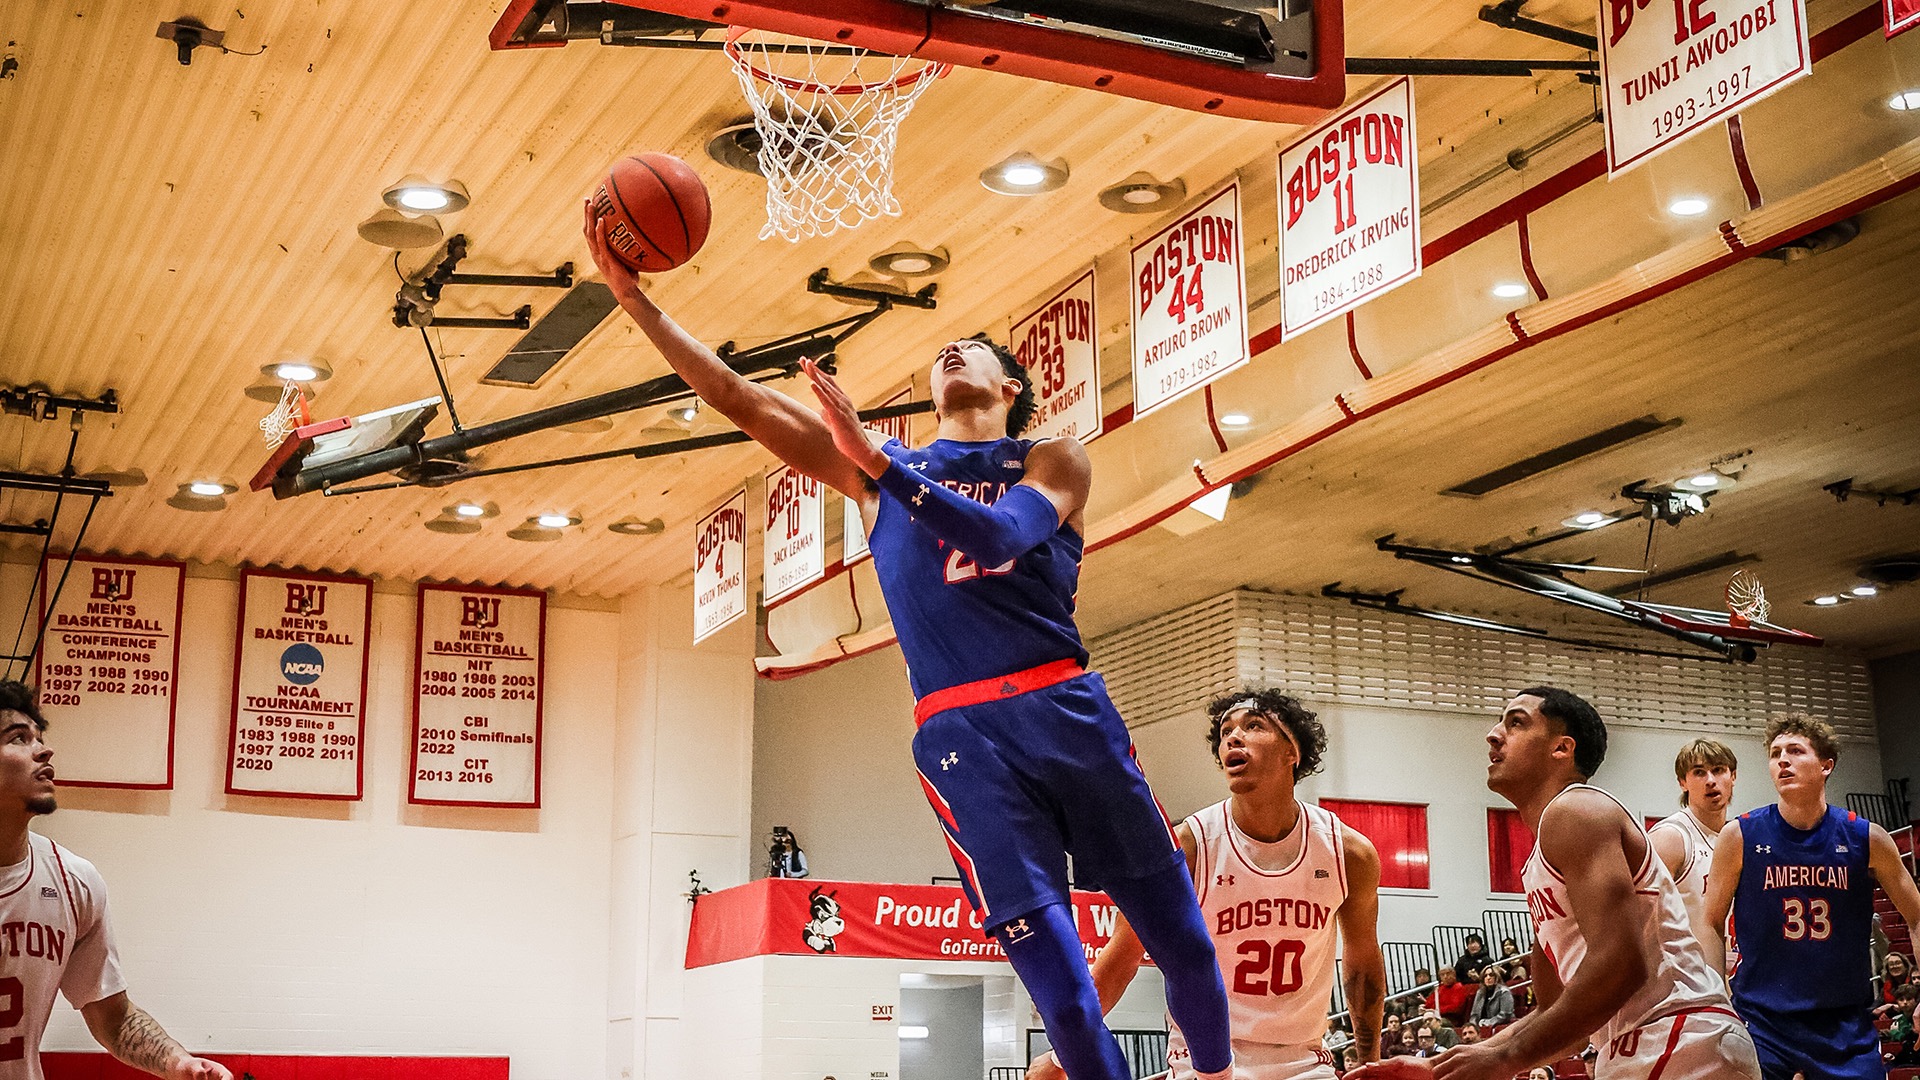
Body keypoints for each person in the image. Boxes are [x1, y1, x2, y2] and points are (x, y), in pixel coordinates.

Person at [584, 210, 1233, 1080]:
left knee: (1184, 945)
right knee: (1064, 994)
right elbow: (740, 398)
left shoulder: (1053, 457)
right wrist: (636, 302)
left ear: (1010, 387)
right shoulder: (871, 468)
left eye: (974, 347)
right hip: (960, 735)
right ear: (930, 395)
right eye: (942, 351)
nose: (952, 352)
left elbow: (1003, 538)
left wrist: (887, 469)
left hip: (1062, 705)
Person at [1359, 687, 1759, 1080]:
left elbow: (1621, 966)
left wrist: (1504, 1060)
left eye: (1516, 723)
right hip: (1651, 1042)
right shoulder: (1541, 859)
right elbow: (1556, 1017)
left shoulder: (1578, 809)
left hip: (1676, 1035)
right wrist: (1437, 1067)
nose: (1493, 734)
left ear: (1562, 749)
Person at [1026, 689, 1387, 1080]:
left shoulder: (1347, 853)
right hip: (1206, 1058)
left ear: (1292, 752)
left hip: (1304, 1060)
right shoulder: (1189, 846)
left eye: (1253, 726)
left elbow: (1363, 964)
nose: (1233, 737)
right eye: (1225, 731)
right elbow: (1121, 958)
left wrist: (1370, 1062)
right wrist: (1062, 1055)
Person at [0, 681, 232, 1080]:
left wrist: (179, 1063)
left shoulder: (74, 882)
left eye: (40, 736)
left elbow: (115, 1018)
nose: (44, 749)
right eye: (18, 738)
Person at [1704, 712, 1920, 1080]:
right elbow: (1710, 921)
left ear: (1826, 765)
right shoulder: (1739, 835)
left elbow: (1916, 917)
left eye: (1795, 751)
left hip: (1844, 1024)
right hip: (1763, 1023)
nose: (1782, 760)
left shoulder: (1867, 837)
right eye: (1775, 754)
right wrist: (1715, 999)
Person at [1648, 739, 1738, 977]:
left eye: (1718, 770)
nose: (1710, 780)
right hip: (1683, 982)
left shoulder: (1736, 838)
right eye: (1699, 772)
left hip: (1726, 977)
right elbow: (1640, 921)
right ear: (1683, 783)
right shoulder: (1671, 837)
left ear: (1733, 777)